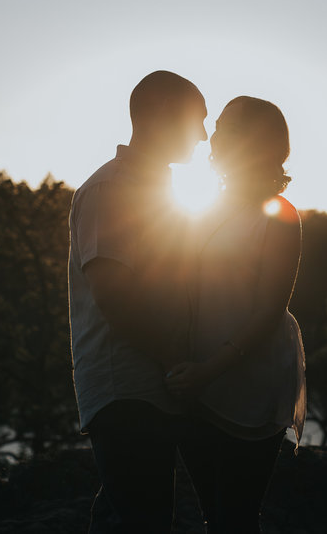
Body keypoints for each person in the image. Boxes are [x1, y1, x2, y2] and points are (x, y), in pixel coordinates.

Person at [67, 70, 208, 533]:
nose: (204, 136)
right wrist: (172, 359)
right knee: (143, 521)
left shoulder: (158, 190)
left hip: (151, 387)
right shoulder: (113, 190)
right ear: (165, 112)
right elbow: (115, 297)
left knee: (130, 517)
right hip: (126, 389)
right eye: (198, 121)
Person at [165, 96, 307, 534]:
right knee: (213, 513)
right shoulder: (201, 206)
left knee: (236, 518)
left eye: (224, 126)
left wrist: (210, 369)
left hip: (250, 381)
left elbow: (269, 310)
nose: (213, 135)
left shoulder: (280, 216)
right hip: (197, 380)